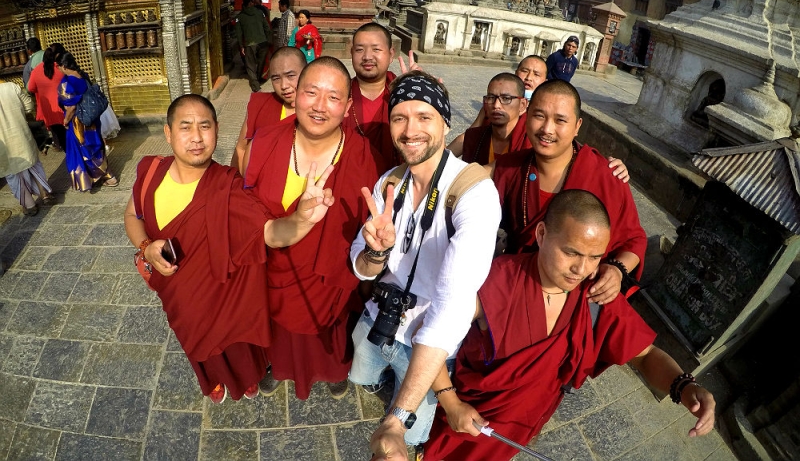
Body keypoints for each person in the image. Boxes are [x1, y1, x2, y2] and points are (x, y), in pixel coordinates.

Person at [423, 190, 716, 460]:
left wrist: (685, 387)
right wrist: (450, 402)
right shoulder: (498, 279)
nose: (581, 269)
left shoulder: (595, 297)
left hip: (517, 431)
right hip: (460, 421)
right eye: (571, 252)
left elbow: (644, 354)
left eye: (594, 257)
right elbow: (430, 335)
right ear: (541, 234)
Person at [124, 94, 336, 403]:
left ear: (217, 130)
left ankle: (245, 378)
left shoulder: (227, 186)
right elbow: (132, 215)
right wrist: (145, 246)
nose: (197, 137)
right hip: (179, 301)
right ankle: (212, 380)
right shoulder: (150, 170)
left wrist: (301, 220)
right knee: (195, 344)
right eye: (186, 127)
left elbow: (270, 232)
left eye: (205, 126)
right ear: (168, 133)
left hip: (220, 302)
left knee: (235, 347)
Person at [349, 71, 501, 455]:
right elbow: (359, 264)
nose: (410, 129)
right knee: (363, 375)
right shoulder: (390, 182)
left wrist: (396, 421)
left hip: (430, 346)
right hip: (377, 318)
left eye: (424, 116)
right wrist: (376, 253)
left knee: (411, 434)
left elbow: (453, 307)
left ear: (445, 122)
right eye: (399, 117)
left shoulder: (474, 193)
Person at [241, 57, 385, 401]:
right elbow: (248, 214)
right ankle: (279, 365)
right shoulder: (265, 142)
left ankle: (334, 370)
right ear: (297, 96)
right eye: (311, 92)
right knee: (280, 329)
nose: (320, 106)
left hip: (330, 274)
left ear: (348, 106)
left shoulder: (366, 157)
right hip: (275, 267)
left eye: (333, 97)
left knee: (331, 333)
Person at [491, 79, 645, 300]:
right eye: (539, 116)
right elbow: (463, 181)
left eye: (560, 120)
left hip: (582, 293)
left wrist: (617, 270)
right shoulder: (510, 167)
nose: (547, 129)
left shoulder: (606, 175)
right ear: (526, 118)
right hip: (520, 286)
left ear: (577, 126)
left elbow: (634, 239)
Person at [343, 22, 421, 167]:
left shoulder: (404, 94)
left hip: (399, 180)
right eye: (359, 50)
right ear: (352, 53)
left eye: (376, 49)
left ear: (391, 54)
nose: (367, 56)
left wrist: (420, 93)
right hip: (351, 177)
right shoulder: (340, 95)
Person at [230, 47, 307, 173]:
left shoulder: (317, 108)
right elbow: (241, 148)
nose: (284, 86)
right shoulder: (261, 104)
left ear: (306, 72)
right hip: (258, 186)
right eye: (276, 78)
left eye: (291, 76)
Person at [56, 52, 118, 191]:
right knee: (96, 144)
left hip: (78, 121)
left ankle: (106, 176)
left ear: (64, 66)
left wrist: (65, 121)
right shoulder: (83, 75)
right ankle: (105, 176)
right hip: (92, 118)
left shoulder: (66, 83)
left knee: (84, 149)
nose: (58, 69)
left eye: (59, 66)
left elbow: (71, 107)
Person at [447, 73, 530, 165]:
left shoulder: (531, 142)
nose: (496, 105)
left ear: (522, 105)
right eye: (491, 98)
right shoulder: (474, 137)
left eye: (506, 98)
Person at [0, 81, 55, 216]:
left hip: (3, 146)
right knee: (33, 166)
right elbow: (29, 106)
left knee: (14, 173)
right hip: (20, 135)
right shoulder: (11, 87)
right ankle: (45, 194)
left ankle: (30, 206)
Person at [27, 43, 67, 151]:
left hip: (49, 111)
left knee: (59, 137)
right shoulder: (60, 68)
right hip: (64, 107)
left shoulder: (36, 70)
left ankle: (62, 150)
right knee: (70, 137)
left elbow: (30, 88)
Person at [236, 0, 273, 92]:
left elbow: (239, 34)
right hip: (263, 42)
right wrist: (268, 39)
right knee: (261, 62)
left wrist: (241, 46)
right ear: (251, 3)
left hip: (250, 44)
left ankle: (256, 86)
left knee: (250, 65)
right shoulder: (260, 13)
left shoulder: (240, 17)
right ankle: (258, 79)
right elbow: (267, 27)